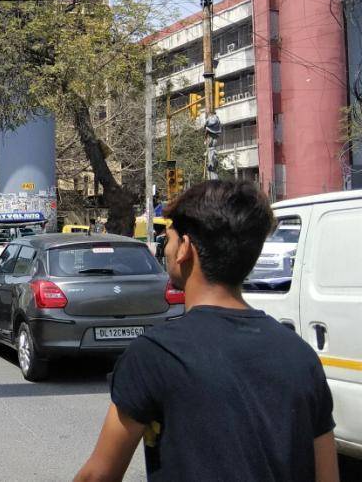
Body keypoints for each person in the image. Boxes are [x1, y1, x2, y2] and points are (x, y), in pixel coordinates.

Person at [74, 180, 338, 482]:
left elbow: (98, 475)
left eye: (169, 240)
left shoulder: (156, 354)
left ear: (185, 248)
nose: (167, 249)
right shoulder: (301, 356)